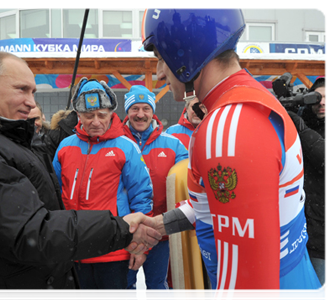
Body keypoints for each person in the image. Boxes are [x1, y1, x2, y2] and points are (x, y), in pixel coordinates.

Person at [0, 51, 161, 300]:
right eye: (21, 89)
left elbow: (140, 192)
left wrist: (132, 238)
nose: (32, 102)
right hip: (61, 254)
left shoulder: (124, 146)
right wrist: (119, 228)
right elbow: (32, 230)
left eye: (33, 91)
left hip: (91, 249)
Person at [140, 8, 327, 299]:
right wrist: (160, 223)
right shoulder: (247, 101)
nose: (159, 72)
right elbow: (224, 206)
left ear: (186, 52)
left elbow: (248, 282)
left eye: (161, 58)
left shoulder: (230, 124)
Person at [52, 78, 154, 300]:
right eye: (89, 116)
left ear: (111, 113)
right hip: (74, 249)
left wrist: (140, 245)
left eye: (102, 114)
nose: (96, 121)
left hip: (113, 250)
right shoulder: (65, 147)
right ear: (78, 116)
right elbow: (54, 196)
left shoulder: (125, 147)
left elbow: (142, 198)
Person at [122, 85, 188, 300]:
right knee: (125, 288)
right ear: (127, 112)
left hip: (159, 231)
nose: (140, 114)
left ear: (153, 111)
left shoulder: (173, 145)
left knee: (158, 287)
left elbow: (186, 186)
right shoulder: (116, 143)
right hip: (124, 232)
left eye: (146, 109)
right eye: (134, 109)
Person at [288, 76, 329, 298]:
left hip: (324, 237)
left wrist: (300, 128)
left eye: (328, 98)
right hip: (299, 232)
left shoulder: (303, 131)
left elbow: (326, 160)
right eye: (317, 98)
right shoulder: (302, 129)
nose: (322, 102)